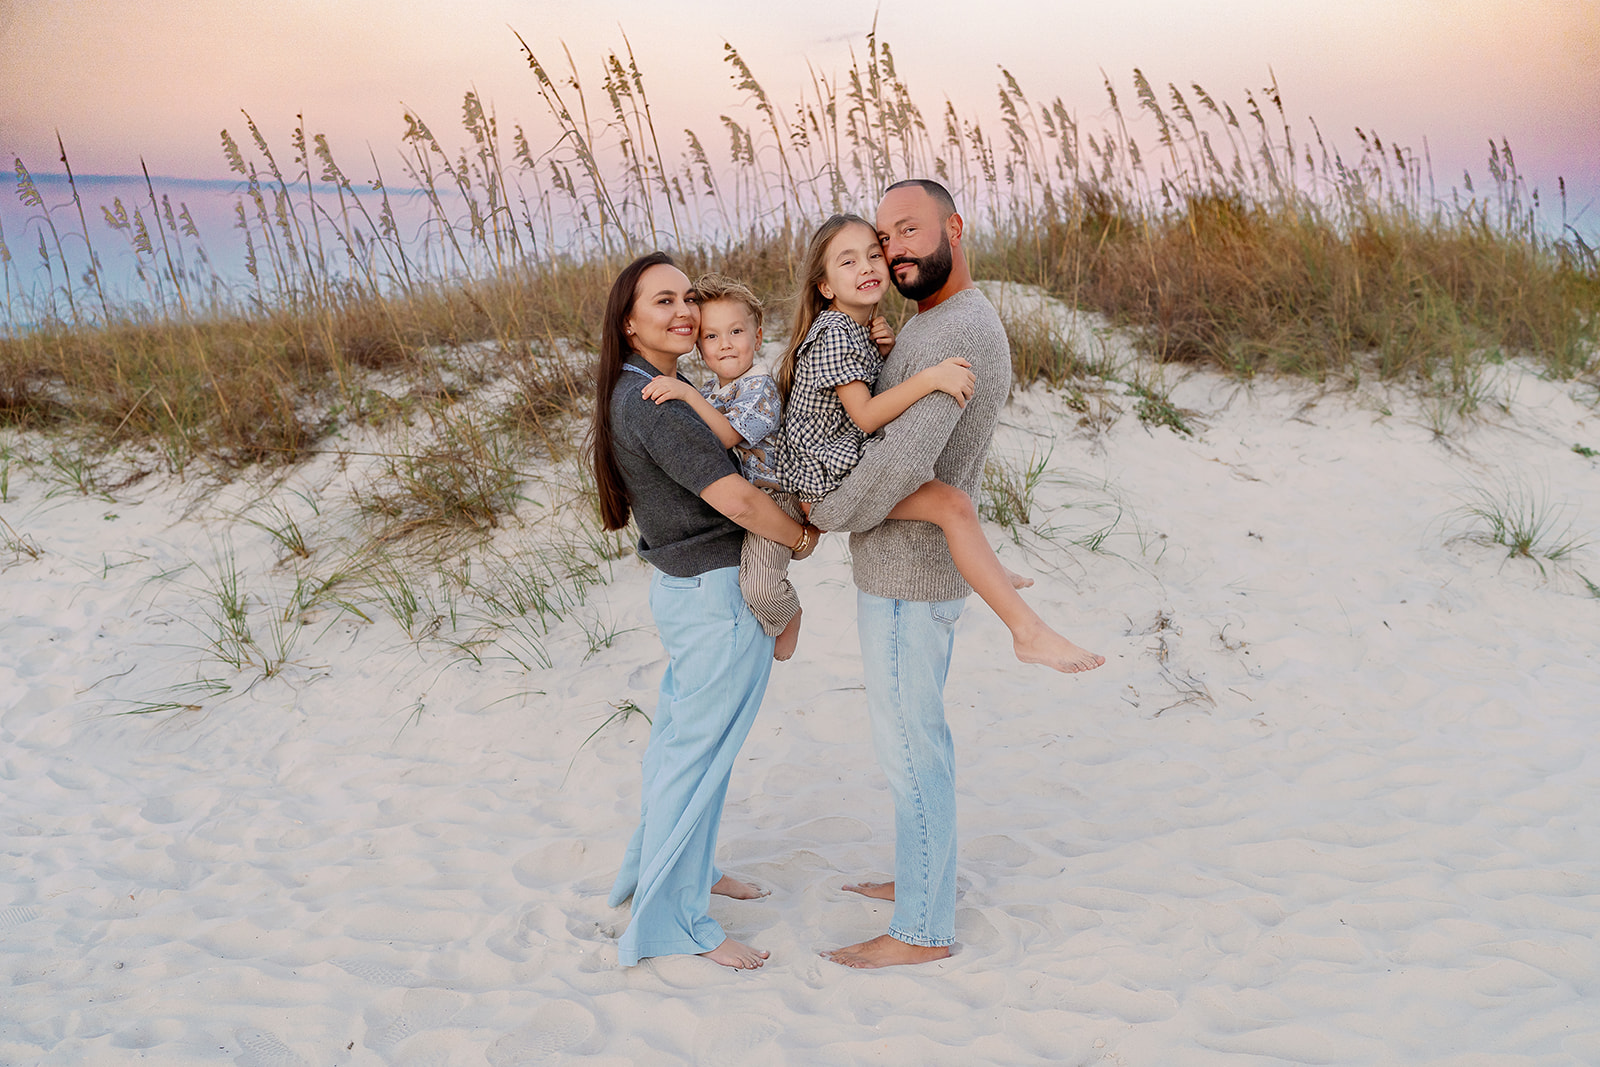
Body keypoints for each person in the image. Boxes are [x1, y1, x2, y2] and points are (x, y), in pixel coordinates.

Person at [813, 181, 1106, 970]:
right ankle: (921, 877)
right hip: (914, 569)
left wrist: (827, 512)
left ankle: (921, 929)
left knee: (913, 753)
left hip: (908, 580)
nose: (894, 249)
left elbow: (902, 464)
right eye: (884, 238)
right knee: (915, 745)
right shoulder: (932, 324)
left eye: (909, 230)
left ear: (955, 227)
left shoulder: (958, 332)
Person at [592, 252, 822, 970]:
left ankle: (681, 871)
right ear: (629, 323)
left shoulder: (659, 388)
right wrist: (800, 539)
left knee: (683, 751)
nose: (685, 312)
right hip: (716, 594)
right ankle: (676, 921)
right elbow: (739, 499)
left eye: (687, 297)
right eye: (663, 301)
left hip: (693, 590)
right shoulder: (653, 402)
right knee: (695, 757)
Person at [776, 212, 1103, 675]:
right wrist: (930, 377)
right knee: (953, 505)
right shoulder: (832, 333)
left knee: (953, 505)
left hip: (839, 472)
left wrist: (886, 352)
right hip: (825, 490)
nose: (867, 267)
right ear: (825, 286)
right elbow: (866, 415)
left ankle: (989, 573)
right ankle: (1026, 632)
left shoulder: (857, 330)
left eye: (873, 255)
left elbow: (868, 397)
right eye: (848, 262)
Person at [638, 274, 808, 661]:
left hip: (774, 499)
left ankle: (789, 612)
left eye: (736, 331)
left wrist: (685, 393)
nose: (725, 344)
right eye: (712, 336)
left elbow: (728, 436)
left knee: (761, 586)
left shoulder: (759, 387)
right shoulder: (712, 392)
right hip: (744, 500)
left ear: (757, 337)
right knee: (743, 580)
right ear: (700, 349)